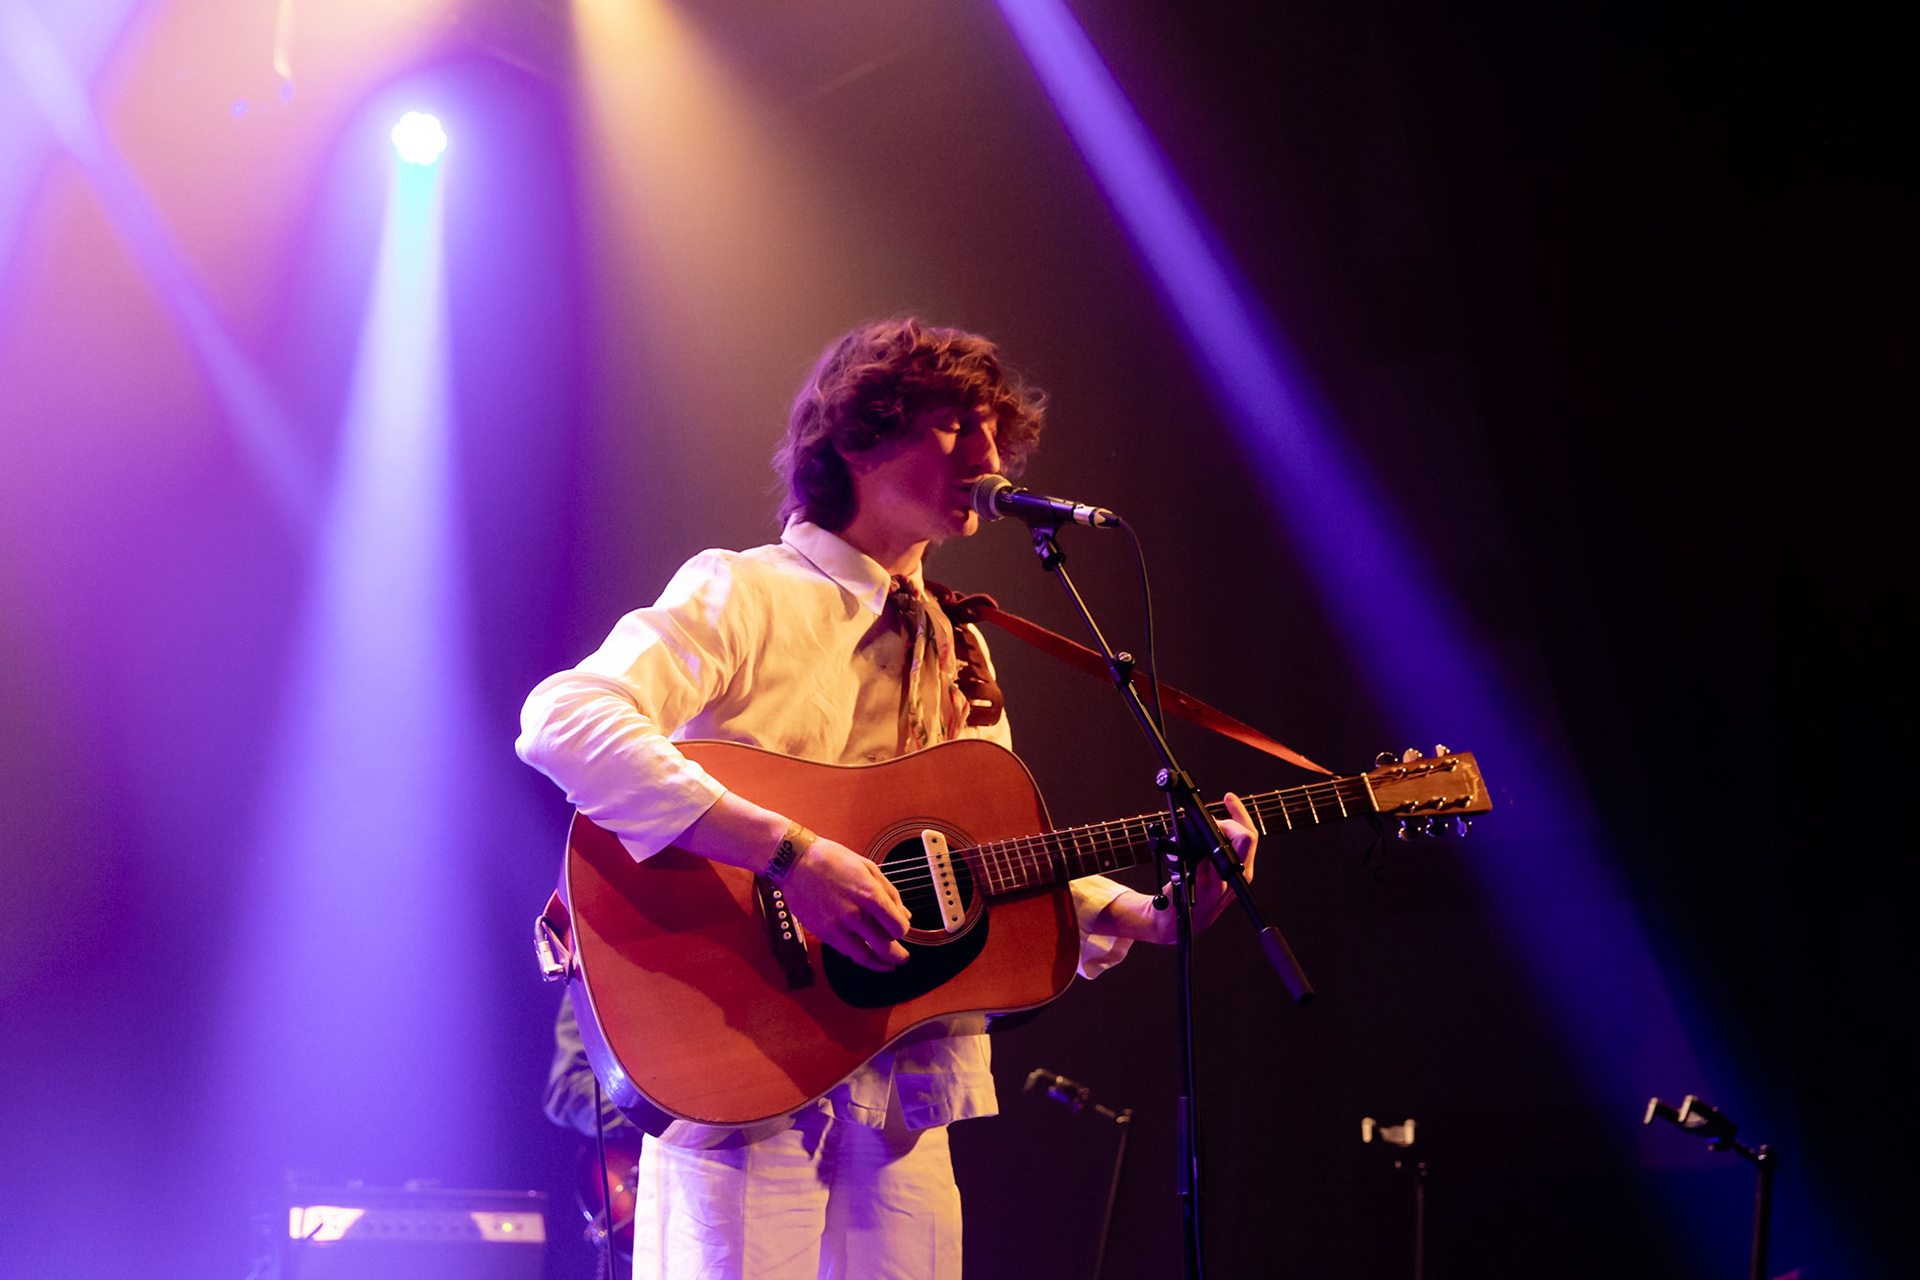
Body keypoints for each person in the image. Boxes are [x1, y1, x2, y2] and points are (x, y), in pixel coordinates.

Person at [516, 318, 1257, 1280]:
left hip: (902, 1076)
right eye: (954, 424)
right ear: (859, 439)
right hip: (740, 1049)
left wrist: (1143, 915)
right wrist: (791, 855)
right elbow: (563, 717)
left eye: (995, 431)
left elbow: (972, 856)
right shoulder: (746, 591)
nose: (988, 454)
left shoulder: (961, 645)